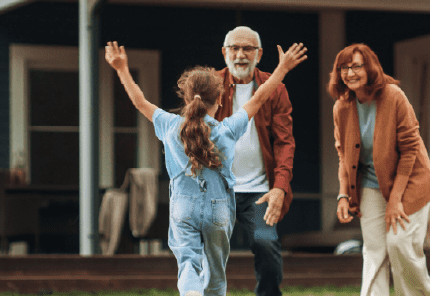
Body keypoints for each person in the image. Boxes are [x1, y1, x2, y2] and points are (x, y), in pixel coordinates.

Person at [105, 41, 307, 296]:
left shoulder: (169, 125)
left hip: (183, 206)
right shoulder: (227, 129)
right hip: (219, 208)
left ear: (186, 97)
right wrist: (283, 68)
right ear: (219, 99)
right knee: (215, 270)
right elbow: (260, 96)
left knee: (188, 262)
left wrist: (121, 68)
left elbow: (139, 101)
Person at [329, 43, 430, 296]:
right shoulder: (342, 107)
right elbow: (343, 155)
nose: (350, 73)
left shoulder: (393, 96)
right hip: (370, 184)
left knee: (400, 244)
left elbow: (410, 150)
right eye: (344, 68)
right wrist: (343, 195)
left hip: (410, 181)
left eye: (356, 66)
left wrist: (395, 200)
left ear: (370, 68)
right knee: (375, 249)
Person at [212, 26, 295, 296]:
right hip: (217, 189)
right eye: (234, 48)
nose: (240, 54)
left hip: (259, 191)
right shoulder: (209, 84)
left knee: (267, 248)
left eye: (247, 48)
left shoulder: (275, 88)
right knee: (207, 252)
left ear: (259, 53)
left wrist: (280, 187)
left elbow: (284, 141)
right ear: (224, 52)